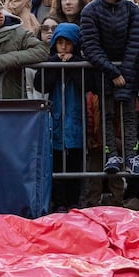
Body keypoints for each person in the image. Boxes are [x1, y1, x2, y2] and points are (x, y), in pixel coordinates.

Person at [81, 0, 139, 176]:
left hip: (129, 72)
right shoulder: (90, 11)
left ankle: (132, 155)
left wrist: (124, 73)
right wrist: (112, 72)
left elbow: (135, 43)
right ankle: (111, 155)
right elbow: (90, 46)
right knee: (105, 115)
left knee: (129, 115)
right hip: (102, 73)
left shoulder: (132, 9)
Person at [42, 22, 86, 210]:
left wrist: (73, 64)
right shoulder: (50, 62)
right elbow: (42, 85)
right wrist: (55, 64)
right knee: (57, 162)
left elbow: (86, 84)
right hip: (57, 121)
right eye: (59, 43)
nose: (63, 47)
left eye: (67, 43)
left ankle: (74, 200)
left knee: (75, 161)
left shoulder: (81, 64)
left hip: (76, 120)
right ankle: (59, 201)